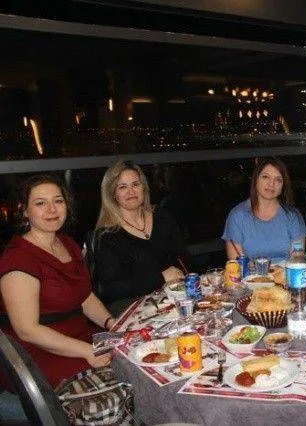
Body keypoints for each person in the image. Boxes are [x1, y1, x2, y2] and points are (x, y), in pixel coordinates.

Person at [0, 175, 114, 388]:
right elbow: (27, 330)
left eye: (58, 201)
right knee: (117, 375)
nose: (52, 209)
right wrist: (87, 351)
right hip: (37, 353)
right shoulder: (18, 258)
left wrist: (111, 323)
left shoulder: (67, 244)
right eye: (40, 203)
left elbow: (85, 297)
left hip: (79, 338)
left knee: (133, 354)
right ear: (24, 210)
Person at [92, 160, 187, 314]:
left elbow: (183, 258)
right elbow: (111, 289)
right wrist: (160, 278)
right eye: (122, 187)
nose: (131, 192)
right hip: (136, 309)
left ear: (144, 187)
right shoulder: (106, 236)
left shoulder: (162, 217)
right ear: (113, 194)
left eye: (135, 184)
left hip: (174, 298)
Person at [222, 157, 306, 263]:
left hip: (287, 272)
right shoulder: (237, 216)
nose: (271, 184)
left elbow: (297, 259)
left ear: (283, 186)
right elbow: (237, 263)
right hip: (249, 273)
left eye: (278, 180)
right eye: (265, 177)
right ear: (255, 180)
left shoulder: (292, 216)